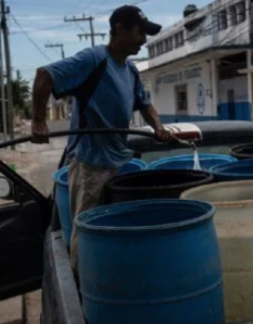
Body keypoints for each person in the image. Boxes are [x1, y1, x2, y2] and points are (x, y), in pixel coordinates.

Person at [30, 5, 171, 272]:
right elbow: (44, 75)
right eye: (140, 32)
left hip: (118, 163)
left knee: (113, 234)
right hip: (90, 166)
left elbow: (145, 104)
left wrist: (158, 126)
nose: (144, 40)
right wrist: (38, 120)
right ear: (119, 29)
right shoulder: (94, 59)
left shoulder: (129, 70)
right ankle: (81, 295)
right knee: (87, 236)